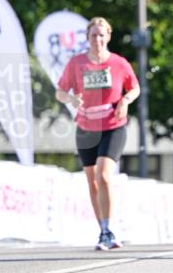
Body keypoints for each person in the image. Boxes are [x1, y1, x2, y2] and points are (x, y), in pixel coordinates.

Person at [56, 16, 140, 251]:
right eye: (94, 35)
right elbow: (60, 92)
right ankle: (102, 230)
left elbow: (135, 88)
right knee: (92, 182)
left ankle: (110, 228)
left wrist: (125, 99)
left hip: (113, 125)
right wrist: (71, 98)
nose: (98, 39)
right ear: (88, 38)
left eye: (102, 35)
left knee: (104, 175)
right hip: (86, 128)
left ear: (108, 36)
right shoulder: (76, 63)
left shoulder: (119, 63)